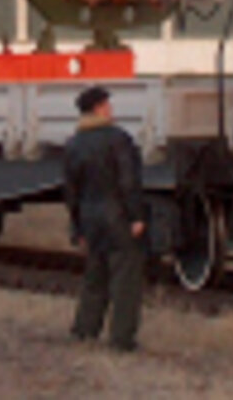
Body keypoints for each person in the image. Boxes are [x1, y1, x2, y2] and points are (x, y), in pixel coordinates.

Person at [62, 86, 146, 352]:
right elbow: (128, 181)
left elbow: (71, 191)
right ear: (98, 108)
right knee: (125, 279)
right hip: (117, 216)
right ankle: (121, 339)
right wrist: (137, 216)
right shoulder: (118, 139)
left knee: (94, 277)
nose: (111, 109)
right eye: (107, 105)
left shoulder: (74, 144)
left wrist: (77, 227)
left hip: (90, 218)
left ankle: (84, 330)